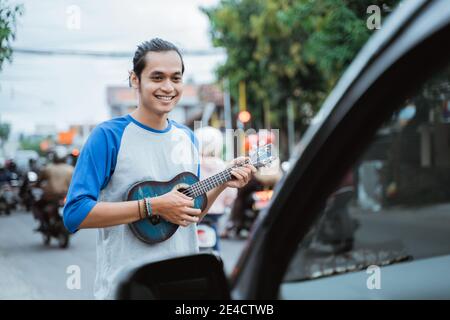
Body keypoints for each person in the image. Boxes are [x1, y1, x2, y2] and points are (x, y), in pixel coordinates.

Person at [63, 38, 256, 300]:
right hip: (129, 289)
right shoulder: (108, 136)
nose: (168, 87)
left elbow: (190, 215)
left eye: (176, 78)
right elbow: (75, 214)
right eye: (157, 77)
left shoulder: (187, 137)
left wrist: (223, 180)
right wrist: (153, 206)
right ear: (135, 79)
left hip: (183, 287)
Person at [194, 126, 237, 252]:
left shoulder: (192, 165)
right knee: (215, 238)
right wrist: (226, 203)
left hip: (196, 212)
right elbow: (231, 193)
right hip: (216, 213)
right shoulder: (222, 166)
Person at [34, 147, 74, 231]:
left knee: (37, 205)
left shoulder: (48, 168)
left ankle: (43, 224)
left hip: (51, 197)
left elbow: (39, 181)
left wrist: (36, 186)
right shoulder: (71, 169)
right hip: (67, 196)